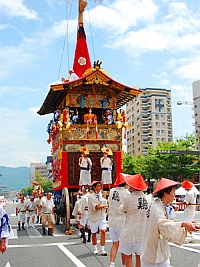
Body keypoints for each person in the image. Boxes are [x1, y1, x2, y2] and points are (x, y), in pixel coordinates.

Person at [141, 178, 199, 267]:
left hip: (159, 249)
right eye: (173, 192)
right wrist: (183, 224)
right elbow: (164, 225)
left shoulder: (161, 204)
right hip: (152, 250)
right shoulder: (157, 208)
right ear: (165, 194)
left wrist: (185, 224)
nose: (175, 194)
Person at [119, 174, 151, 267]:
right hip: (142, 231)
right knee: (139, 256)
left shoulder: (128, 198)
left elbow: (121, 209)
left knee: (128, 256)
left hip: (129, 231)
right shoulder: (148, 198)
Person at [108, 173, 130, 267]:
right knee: (123, 245)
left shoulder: (112, 191)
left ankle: (112, 264)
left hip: (112, 220)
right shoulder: (126, 193)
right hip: (122, 222)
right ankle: (123, 264)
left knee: (115, 244)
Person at [88, 181, 108, 256]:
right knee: (94, 233)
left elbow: (104, 203)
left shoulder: (101, 195)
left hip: (102, 216)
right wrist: (103, 206)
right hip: (94, 217)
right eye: (98, 186)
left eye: (100, 186)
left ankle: (102, 249)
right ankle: (95, 248)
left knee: (103, 231)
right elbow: (95, 207)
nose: (100, 187)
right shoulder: (91, 196)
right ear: (94, 187)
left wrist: (105, 205)